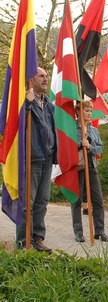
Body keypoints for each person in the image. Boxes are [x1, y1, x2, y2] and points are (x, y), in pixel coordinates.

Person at [16, 67, 57, 253]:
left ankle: (38, 238)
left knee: (42, 201)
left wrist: (55, 153)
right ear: (31, 80)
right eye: (41, 76)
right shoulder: (24, 100)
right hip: (31, 158)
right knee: (28, 203)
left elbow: (53, 131)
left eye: (47, 76)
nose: (45, 79)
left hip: (46, 158)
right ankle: (24, 242)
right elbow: (15, 125)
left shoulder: (49, 105)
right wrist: (27, 104)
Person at [71, 101, 108, 243]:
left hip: (91, 167)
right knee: (77, 200)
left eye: (90, 110)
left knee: (98, 200)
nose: (89, 113)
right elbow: (68, 147)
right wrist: (79, 143)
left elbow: (100, 148)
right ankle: (78, 232)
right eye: (86, 110)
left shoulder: (94, 130)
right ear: (78, 112)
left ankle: (99, 231)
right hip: (78, 168)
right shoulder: (72, 128)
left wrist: (90, 147)